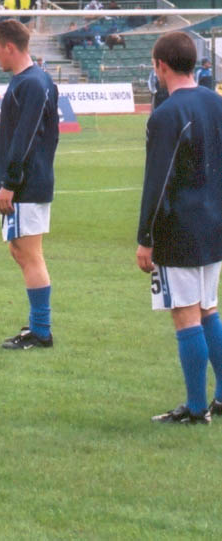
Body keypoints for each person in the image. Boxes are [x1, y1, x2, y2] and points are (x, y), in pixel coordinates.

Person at [137, 31, 222, 425]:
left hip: (180, 229)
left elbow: (157, 182)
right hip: (214, 224)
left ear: (161, 66)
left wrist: (146, 239)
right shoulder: (215, 102)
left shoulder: (166, 115)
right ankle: (219, 398)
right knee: (209, 310)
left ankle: (194, 407)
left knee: (185, 314)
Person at [0, 19, 59, 350]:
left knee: (30, 254)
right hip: (26, 182)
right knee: (20, 251)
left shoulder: (32, 83)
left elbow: (27, 138)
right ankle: (37, 325)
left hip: (26, 185)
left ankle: (41, 330)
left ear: (11, 48)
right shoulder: (30, 81)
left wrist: (10, 182)